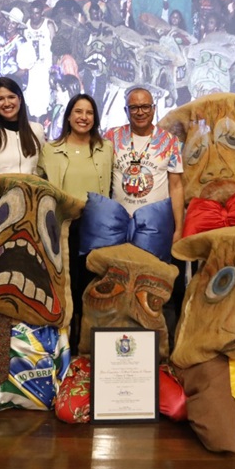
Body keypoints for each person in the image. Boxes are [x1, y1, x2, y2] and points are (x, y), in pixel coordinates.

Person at [37, 94, 113, 343]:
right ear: (68, 115)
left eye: (89, 112)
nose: (83, 117)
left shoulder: (106, 149)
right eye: (78, 112)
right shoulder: (50, 150)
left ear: (95, 118)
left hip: (97, 226)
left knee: (94, 281)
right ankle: (65, 337)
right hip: (64, 227)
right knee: (66, 282)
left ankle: (90, 338)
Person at [104, 86, 184, 243]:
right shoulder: (111, 137)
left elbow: (176, 187)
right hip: (118, 224)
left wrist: (179, 228)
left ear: (153, 109)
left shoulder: (170, 141)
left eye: (145, 107)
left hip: (155, 226)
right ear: (126, 110)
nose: (140, 112)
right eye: (134, 108)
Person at [0, 77, 45, 239]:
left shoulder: (37, 130)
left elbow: (42, 173)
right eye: (0, 99)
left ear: (20, 98)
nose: (6, 103)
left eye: (11, 97)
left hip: (29, 206)